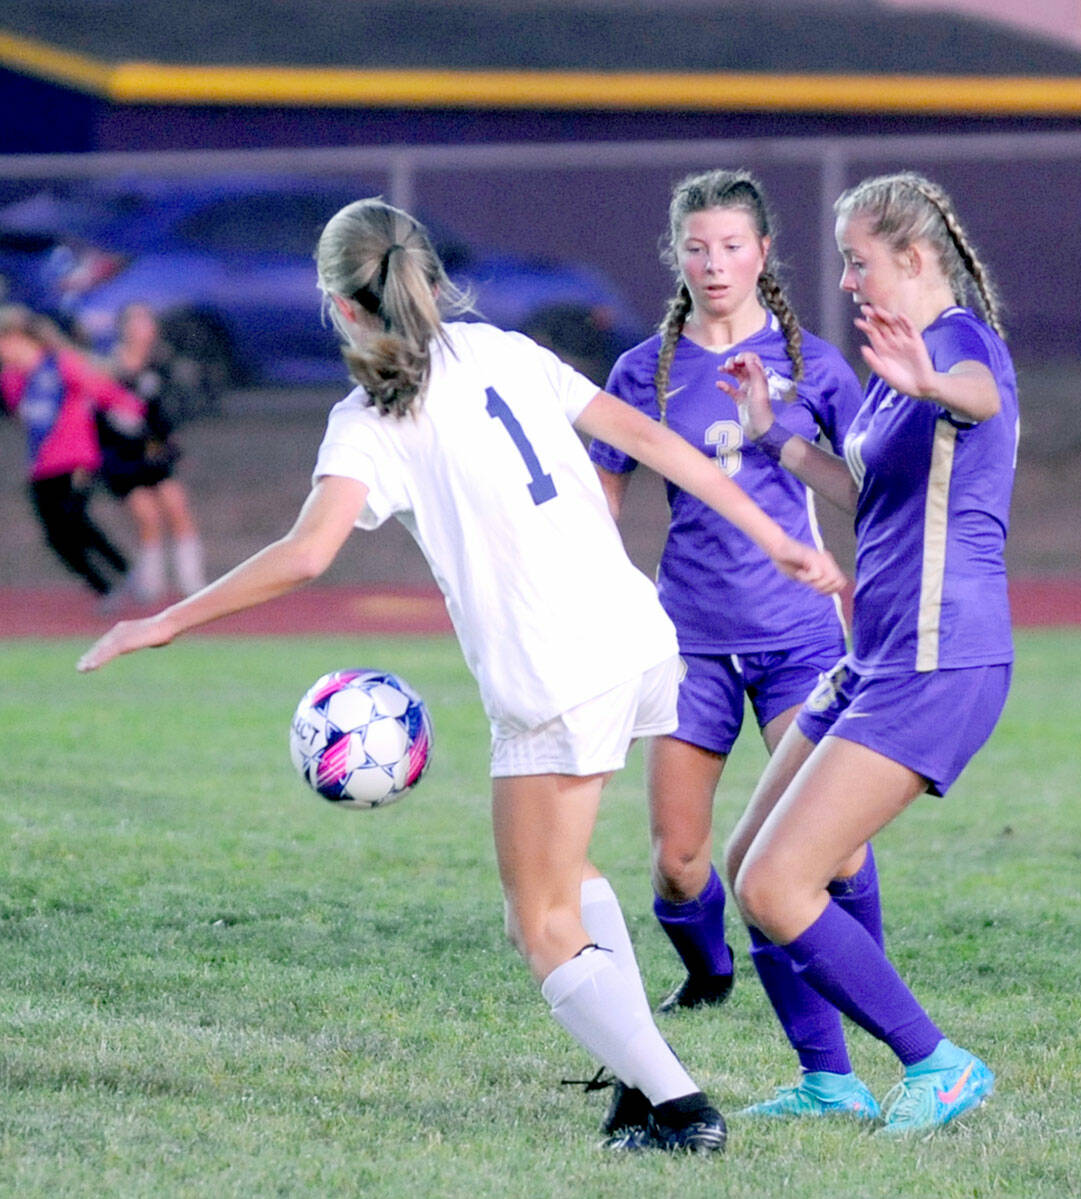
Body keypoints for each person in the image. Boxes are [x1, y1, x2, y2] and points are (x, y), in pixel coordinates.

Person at [76, 197, 846, 1154]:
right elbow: (655, 442)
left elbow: (307, 555)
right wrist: (777, 536)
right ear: (430, 277)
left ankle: (680, 1108)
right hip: (639, 636)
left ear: (340, 307)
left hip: (554, 671)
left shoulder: (372, 417)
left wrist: (165, 620)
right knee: (570, 873)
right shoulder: (506, 352)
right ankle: (641, 1088)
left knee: (538, 920)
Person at [718, 170, 1019, 1136]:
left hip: (942, 657)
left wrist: (933, 381)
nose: (847, 280)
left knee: (778, 884)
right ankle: (829, 1080)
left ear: (915, 258)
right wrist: (773, 438)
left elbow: (979, 395)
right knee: (747, 866)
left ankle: (938, 1063)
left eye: (859, 261)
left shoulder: (959, 344)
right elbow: (863, 495)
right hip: (876, 657)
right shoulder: (897, 379)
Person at [588, 169, 878, 1088]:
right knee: (679, 863)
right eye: (698, 247)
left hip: (799, 637)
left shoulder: (818, 366)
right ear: (678, 256)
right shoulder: (643, 370)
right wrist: (609, 596)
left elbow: (874, 483)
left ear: (762, 253)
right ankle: (710, 971)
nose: (715, 263)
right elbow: (601, 502)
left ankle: (862, 994)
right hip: (691, 642)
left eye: (732, 245)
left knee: (836, 846)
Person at [0, 304, 142, 603]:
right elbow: (23, 417)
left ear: (20, 338)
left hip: (75, 458)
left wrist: (137, 415)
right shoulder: (12, 380)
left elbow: (102, 389)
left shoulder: (59, 364)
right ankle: (104, 585)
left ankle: (124, 573)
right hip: (41, 464)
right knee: (55, 533)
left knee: (74, 518)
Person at [102, 301, 207, 601]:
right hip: (120, 457)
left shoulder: (162, 366)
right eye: (136, 321)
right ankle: (150, 584)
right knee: (146, 517)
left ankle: (192, 582)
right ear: (123, 328)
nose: (143, 328)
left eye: (147, 321)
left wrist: (170, 446)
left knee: (176, 508)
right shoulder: (109, 367)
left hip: (155, 454)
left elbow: (168, 414)